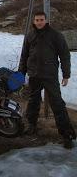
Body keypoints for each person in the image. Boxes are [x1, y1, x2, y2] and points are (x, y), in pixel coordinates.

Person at [19, 11, 76, 149]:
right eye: (37, 20)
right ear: (34, 21)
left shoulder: (55, 35)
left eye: (41, 19)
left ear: (46, 20)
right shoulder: (30, 35)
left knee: (57, 104)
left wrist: (66, 74)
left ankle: (66, 134)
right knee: (33, 102)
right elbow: (24, 55)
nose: (39, 22)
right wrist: (21, 74)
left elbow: (64, 55)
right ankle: (31, 125)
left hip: (49, 75)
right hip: (34, 75)